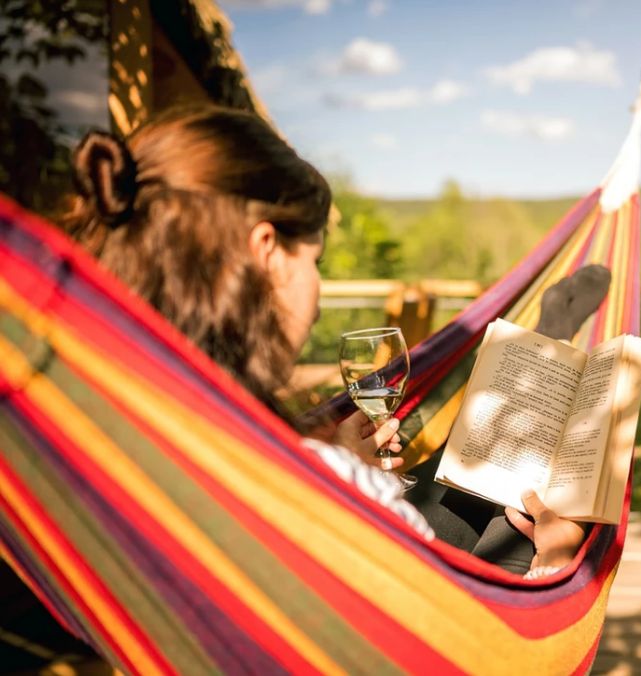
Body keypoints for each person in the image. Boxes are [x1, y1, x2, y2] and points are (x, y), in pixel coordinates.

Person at [61, 105, 588, 576]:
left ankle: (530, 362)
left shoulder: (109, 425)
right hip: (413, 602)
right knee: (526, 515)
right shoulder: (305, 475)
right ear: (267, 252)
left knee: (450, 476)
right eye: (314, 261)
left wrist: (331, 458)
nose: (317, 287)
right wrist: (555, 564)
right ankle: (539, 363)